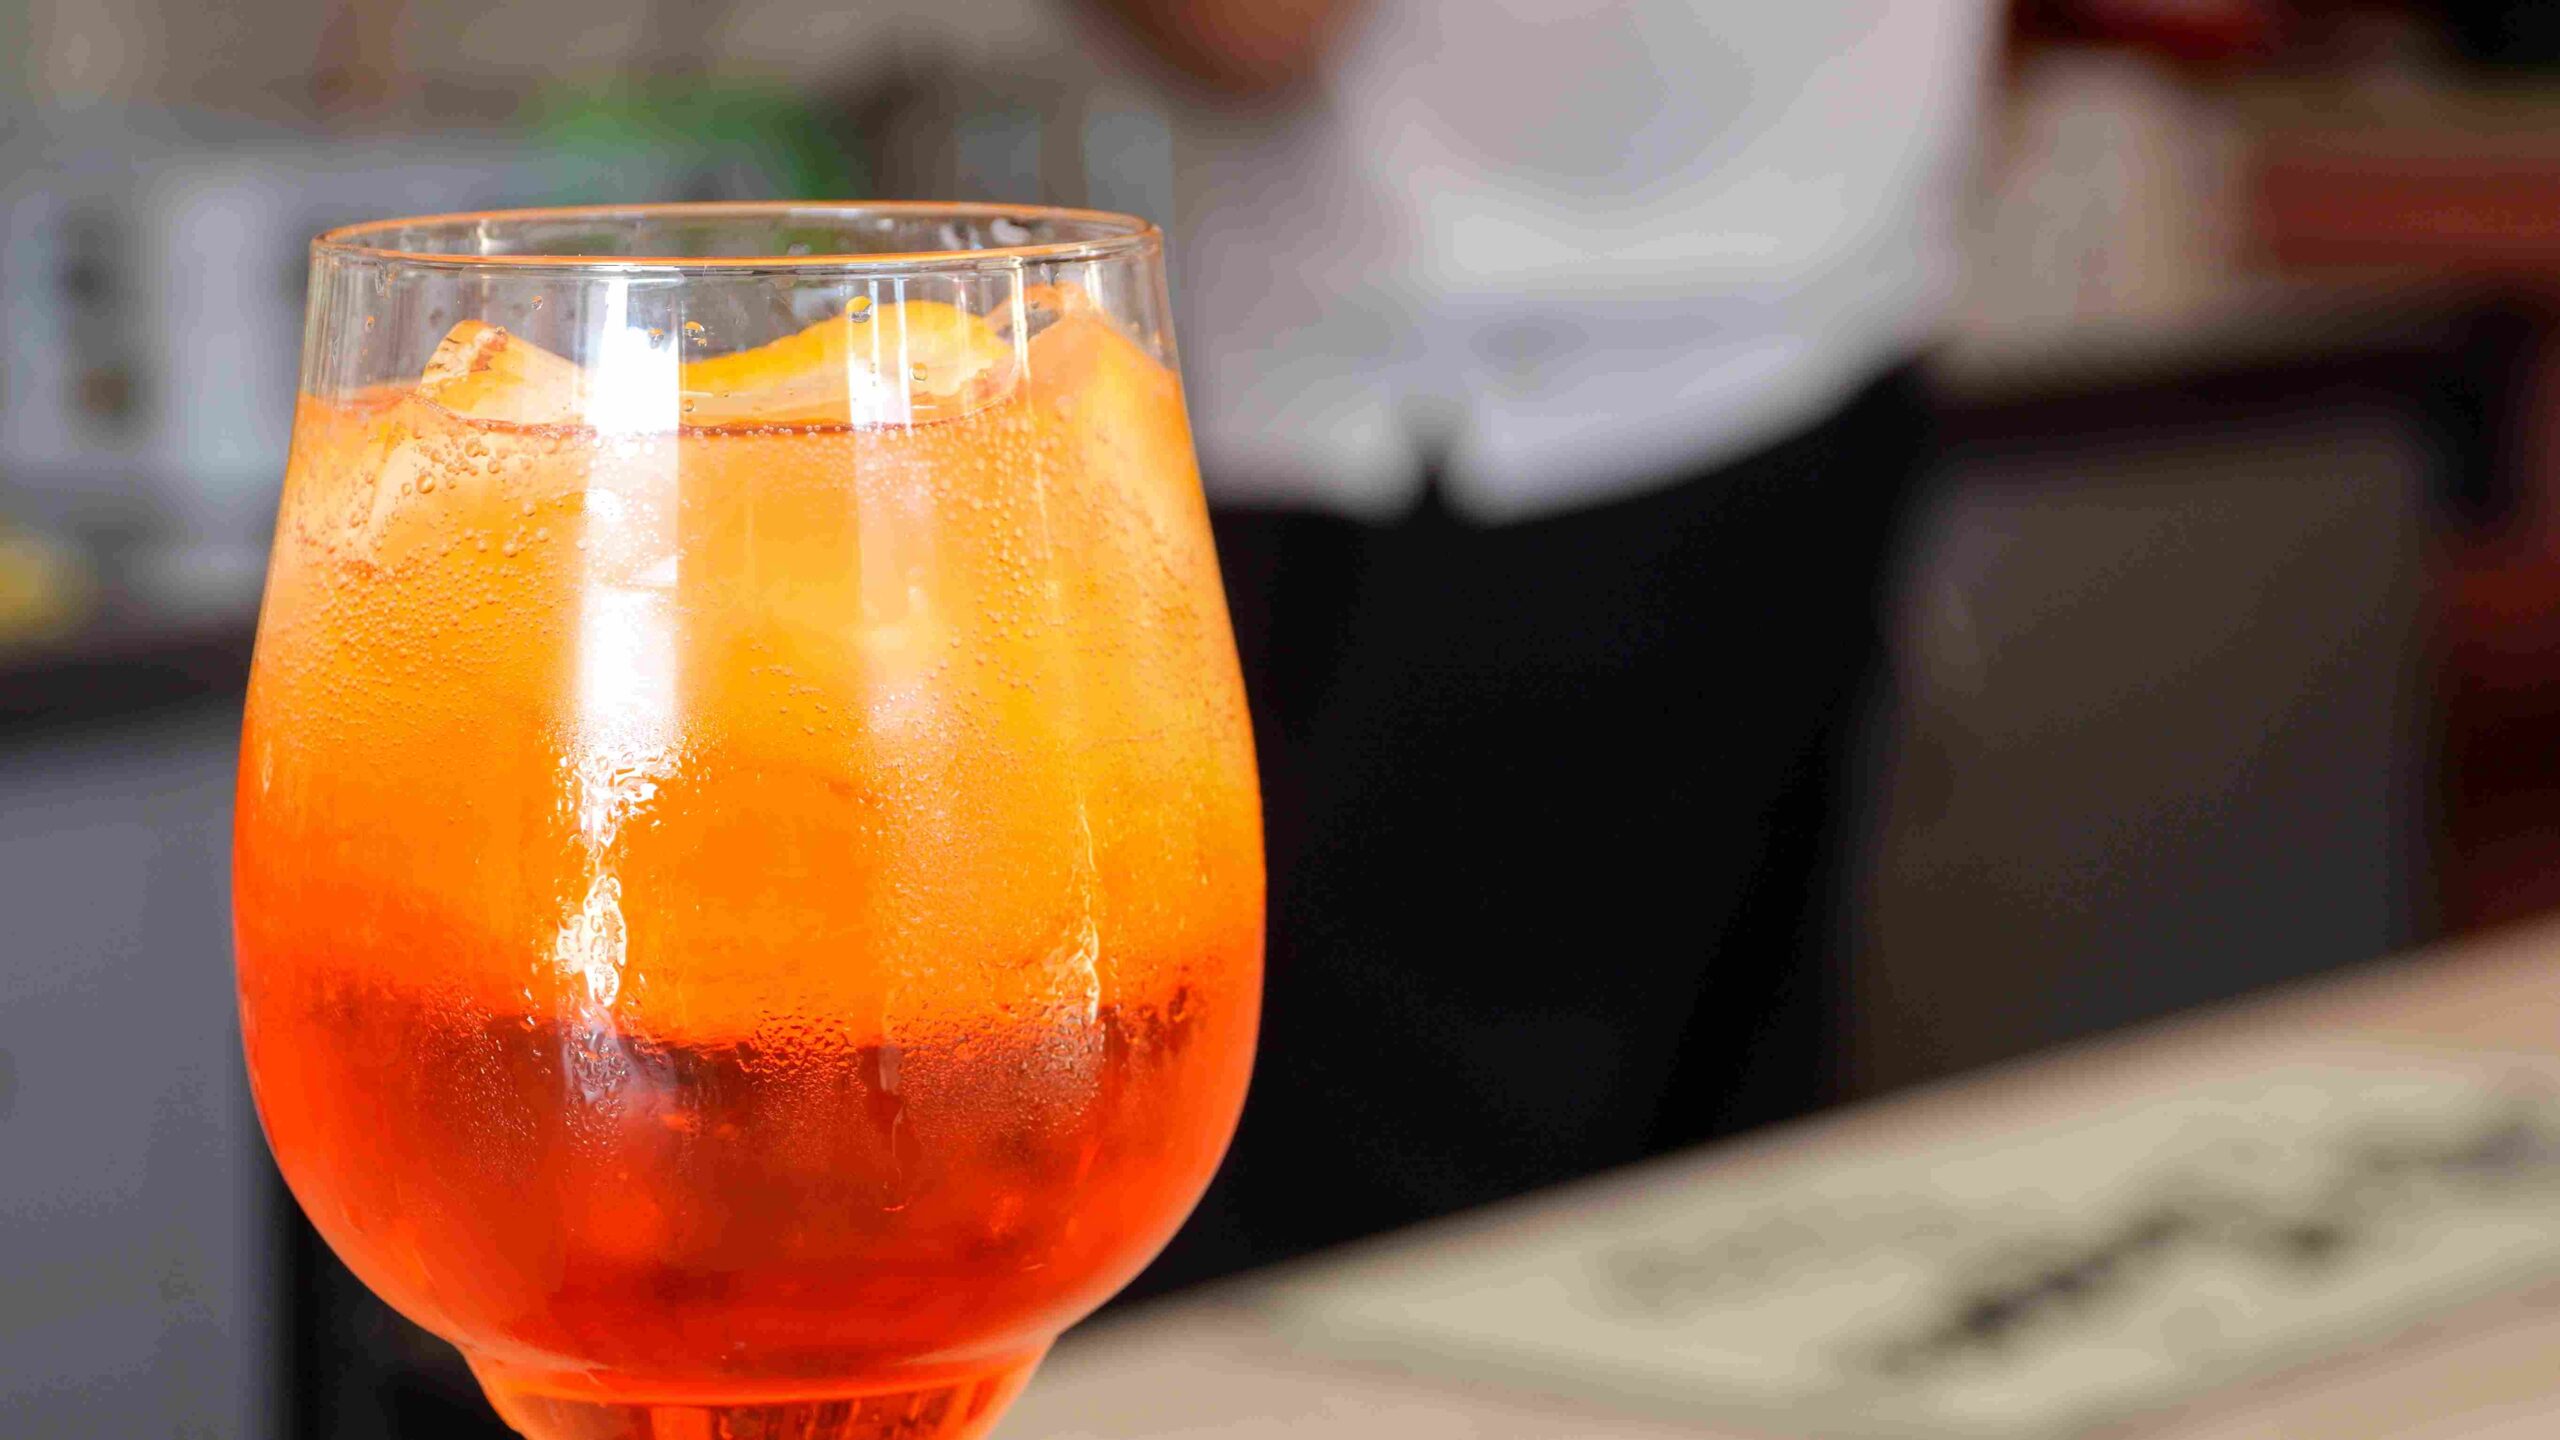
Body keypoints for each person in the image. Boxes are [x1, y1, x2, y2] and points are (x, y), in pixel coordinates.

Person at [1082, 0, 2001, 1289]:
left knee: (1371, 1268)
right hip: (1816, 359)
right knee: (1700, 1241)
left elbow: (1250, 29)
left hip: (1473, 440)